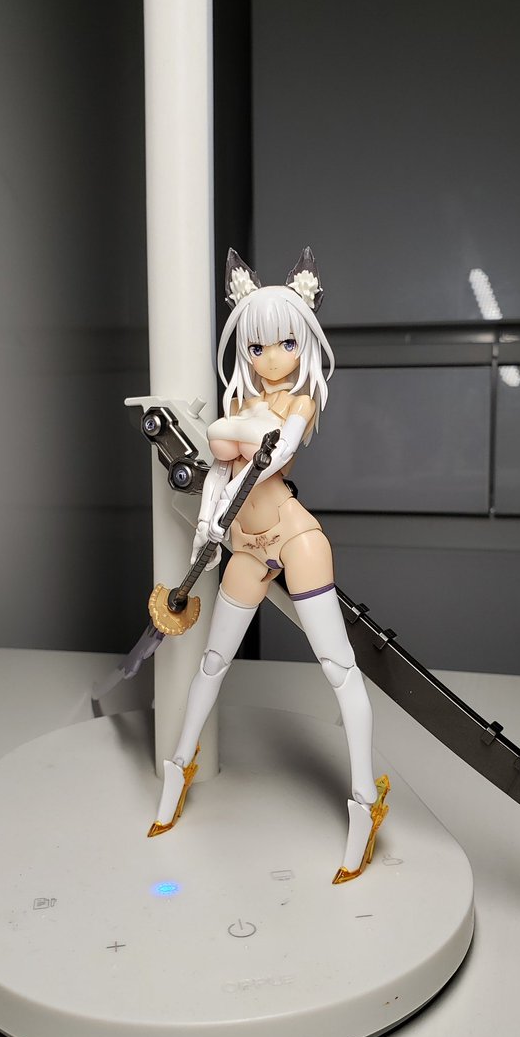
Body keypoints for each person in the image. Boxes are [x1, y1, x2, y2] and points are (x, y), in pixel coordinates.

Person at [148, 248, 389, 883]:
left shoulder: (300, 401)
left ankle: (365, 801)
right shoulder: (245, 399)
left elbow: (267, 453)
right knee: (212, 661)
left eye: (285, 343)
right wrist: (209, 525)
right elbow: (217, 471)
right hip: (246, 545)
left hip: (293, 535)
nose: (272, 358)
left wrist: (231, 434)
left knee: (338, 668)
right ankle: (179, 769)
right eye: (257, 347)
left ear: (304, 342)